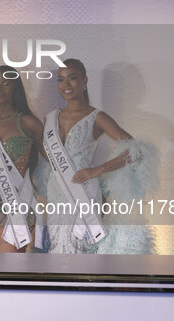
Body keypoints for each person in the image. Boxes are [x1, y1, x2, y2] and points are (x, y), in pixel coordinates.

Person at [42, 58, 158, 254]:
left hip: (83, 191)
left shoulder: (96, 117)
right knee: (58, 251)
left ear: (85, 80)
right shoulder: (50, 118)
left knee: (82, 251)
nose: (66, 85)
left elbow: (136, 150)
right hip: (56, 193)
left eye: (73, 78)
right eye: (61, 80)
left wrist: (99, 169)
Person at [0, 66, 44, 253]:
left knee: (7, 274)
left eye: (6, 84)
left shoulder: (28, 122)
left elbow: (53, 162)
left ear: (15, 88)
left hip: (17, 207)